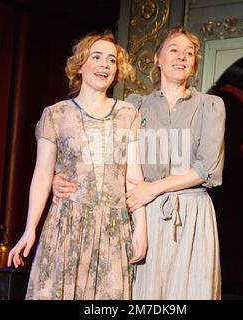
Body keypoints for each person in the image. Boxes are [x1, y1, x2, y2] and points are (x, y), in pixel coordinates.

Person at [52, 26, 225, 299]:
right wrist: (61, 178)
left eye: (189, 53)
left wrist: (153, 188)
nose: (181, 57)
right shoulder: (134, 107)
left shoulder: (209, 106)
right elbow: (108, 161)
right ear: (157, 59)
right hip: (144, 214)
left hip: (192, 215)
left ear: (194, 64)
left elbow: (208, 168)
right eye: (174, 50)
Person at [7, 31, 148, 300]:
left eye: (111, 60)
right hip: (67, 225)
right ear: (80, 65)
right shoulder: (56, 114)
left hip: (113, 229)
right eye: (96, 57)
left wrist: (140, 227)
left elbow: (133, 177)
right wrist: (29, 228)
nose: (104, 65)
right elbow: (42, 175)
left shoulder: (128, 114)